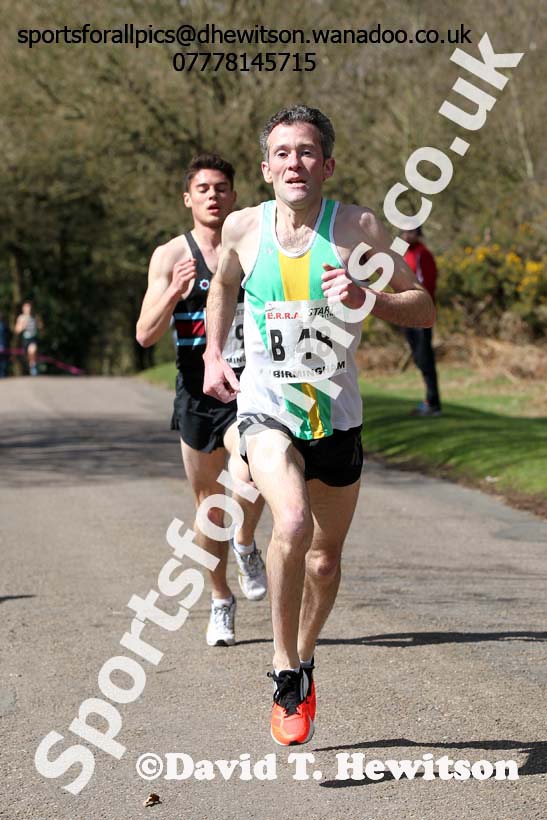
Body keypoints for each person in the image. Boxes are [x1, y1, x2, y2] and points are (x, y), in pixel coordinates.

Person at [203, 106, 435, 745]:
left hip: (335, 413)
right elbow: (222, 282)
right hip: (266, 406)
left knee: (326, 562)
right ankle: (282, 669)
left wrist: (372, 299)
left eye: (307, 152)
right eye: (282, 153)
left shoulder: (358, 227)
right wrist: (215, 352)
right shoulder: (246, 227)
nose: (294, 164)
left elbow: (424, 307)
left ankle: (304, 660)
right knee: (294, 522)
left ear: (327, 165)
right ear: (265, 166)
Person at [136, 153, 266, 647]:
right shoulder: (171, 255)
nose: (214, 195)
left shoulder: (253, 247)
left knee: (251, 469)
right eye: (204, 189)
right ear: (188, 198)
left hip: (249, 386)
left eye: (222, 188)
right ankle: (219, 599)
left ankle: (246, 542)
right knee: (209, 504)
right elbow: (145, 335)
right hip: (195, 393)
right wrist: (174, 290)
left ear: (234, 196)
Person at [400, 227, 442, 416]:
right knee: (418, 358)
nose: (406, 236)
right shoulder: (403, 253)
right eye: (403, 232)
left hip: (420, 315)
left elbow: (428, 283)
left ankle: (433, 403)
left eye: (410, 232)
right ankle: (429, 400)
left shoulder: (422, 254)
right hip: (406, 314)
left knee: (425, 358)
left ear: (418, 234)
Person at [14, 301, 42, 376]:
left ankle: (33, 366)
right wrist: (22, 327)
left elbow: (40, 326)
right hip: (25, 339)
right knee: (27, 355)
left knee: (32, 350)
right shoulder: (21, 317)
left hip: (33, 338)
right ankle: (31, 364)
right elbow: (16, 330)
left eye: (29, 307)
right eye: (26, 308)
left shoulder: (35, 316)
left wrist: (39, 325)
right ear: (23, 309)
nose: (28, 309)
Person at [0, 313, 9, 378]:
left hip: (2, 345)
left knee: (3, 361)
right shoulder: (3, 325)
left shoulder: (3, 325)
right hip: (3, 345)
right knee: (3, 361)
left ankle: (3, 375)